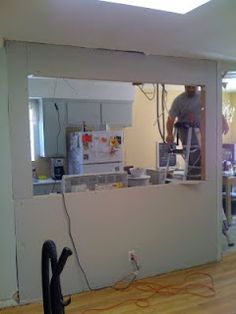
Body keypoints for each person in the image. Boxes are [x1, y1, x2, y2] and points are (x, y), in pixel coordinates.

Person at [166, 85, 201, 179]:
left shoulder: (204, 97)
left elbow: (215, 108)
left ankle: (196, 177)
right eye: (188, 87)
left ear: (197, 86)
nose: (190, 90)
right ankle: (192, 177)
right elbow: (171, 118)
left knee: (201, 160)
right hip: (186, 134)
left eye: (193, 87)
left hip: (202, 135)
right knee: (191, 158)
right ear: (185, 86)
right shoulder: (179, 100)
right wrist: (169, 134)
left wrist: (223, 121)